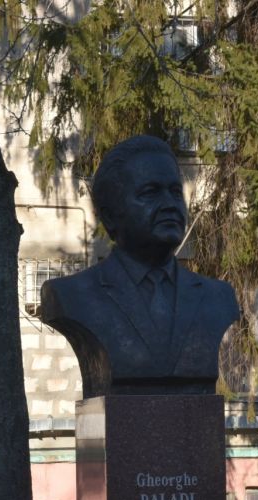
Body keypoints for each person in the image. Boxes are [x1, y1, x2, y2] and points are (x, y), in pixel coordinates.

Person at [40, 135, 240, 398]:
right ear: (111, 215)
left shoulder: (217, 297)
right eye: (150, 193)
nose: (170, 204)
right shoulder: (73, 295)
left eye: (175, 192)